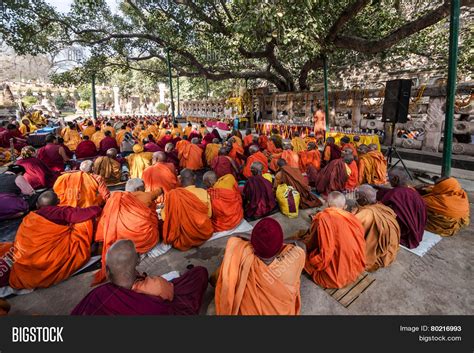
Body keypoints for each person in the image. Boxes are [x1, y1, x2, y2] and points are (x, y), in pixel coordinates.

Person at [73, 240, 208, 315]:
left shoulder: (97, 295)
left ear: (107, 271)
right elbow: (170, 293)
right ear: (138, 260)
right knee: (199, 273)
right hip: (166, 297)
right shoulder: (156, 287)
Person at [8, 191, 100, 289]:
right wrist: (99, 207)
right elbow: (90, 212)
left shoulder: (29, 217)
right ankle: (85, 248)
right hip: (48, 261)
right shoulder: (60, 212)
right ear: (58, 201)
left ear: (37, 205)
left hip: (25, 261)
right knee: (84, 221)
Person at [215, 218, 305, 315]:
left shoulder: (242, 254)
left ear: (252, 243)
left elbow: (234, 236)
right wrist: (278, 241)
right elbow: (301, 245)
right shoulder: (295, 259)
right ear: (280, 245)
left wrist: (254, 238)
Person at [93, 178, 161, 284]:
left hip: (116, 241)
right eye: (143, 188)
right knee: (154, 219)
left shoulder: (114, 199)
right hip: (142, 240)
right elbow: (157, 192)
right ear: (138, 189)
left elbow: (103, 223)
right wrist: (161, 189)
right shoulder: (143, 195)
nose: (144, 190)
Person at [304, 192, 366, 288]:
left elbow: (315, 243)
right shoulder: (352, 219)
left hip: (335, 276)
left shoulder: (322, 218)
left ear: (327, 204)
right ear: (344, 207)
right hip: (355, 267)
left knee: (304, 254)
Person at [161, 169, 213, 250]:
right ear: (195, 177)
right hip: (203, 233)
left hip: (183, 238)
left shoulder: (173, 196)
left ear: (180, 180)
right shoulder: (203, 192)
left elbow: (165, 218)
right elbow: (209, 215)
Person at [355, 184, 400, 272]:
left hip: (377, 256)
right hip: (391, 251)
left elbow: (350, 229)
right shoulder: (385, 208)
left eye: (356, 196)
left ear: (364, 200)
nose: (355, 199)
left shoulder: (366, 214)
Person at [378, 167, 427, 249]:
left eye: (389, 178)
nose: (388, 181)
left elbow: (379, 207)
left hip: (404, 232)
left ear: (395, 179)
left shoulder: (394, 193)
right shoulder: (413, 192)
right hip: (418, 229)